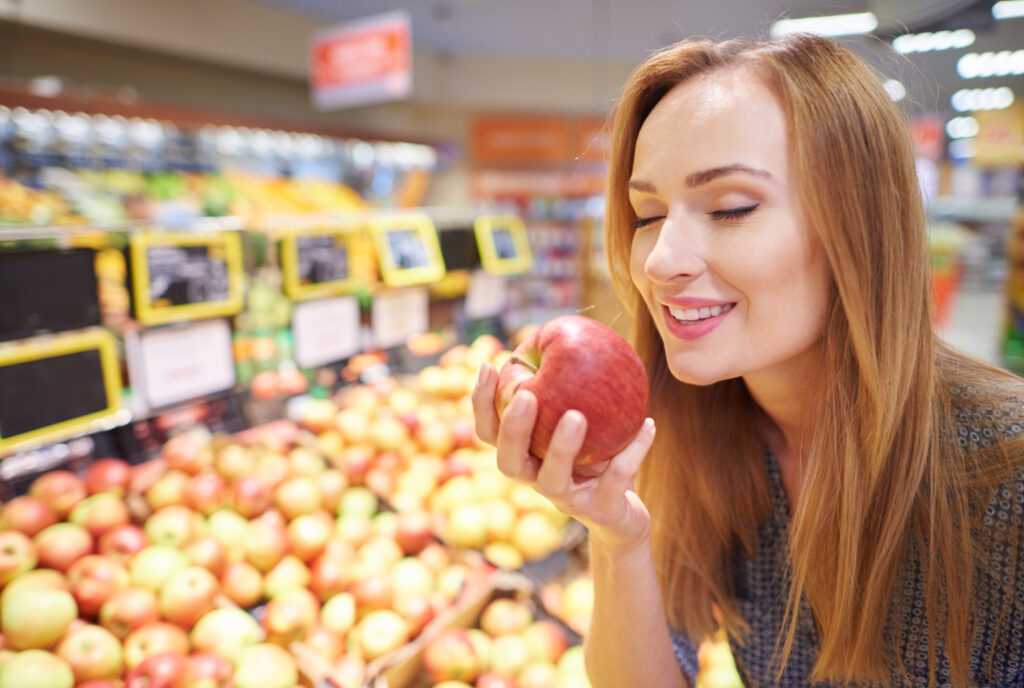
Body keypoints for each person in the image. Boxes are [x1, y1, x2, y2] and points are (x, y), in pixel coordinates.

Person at [472, 34, 1024, 687]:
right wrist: (617, 537)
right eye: (646, 213)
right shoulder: (700, 438)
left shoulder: (1005, 476)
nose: (658, 261)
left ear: (860, 225)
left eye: (730, 207)